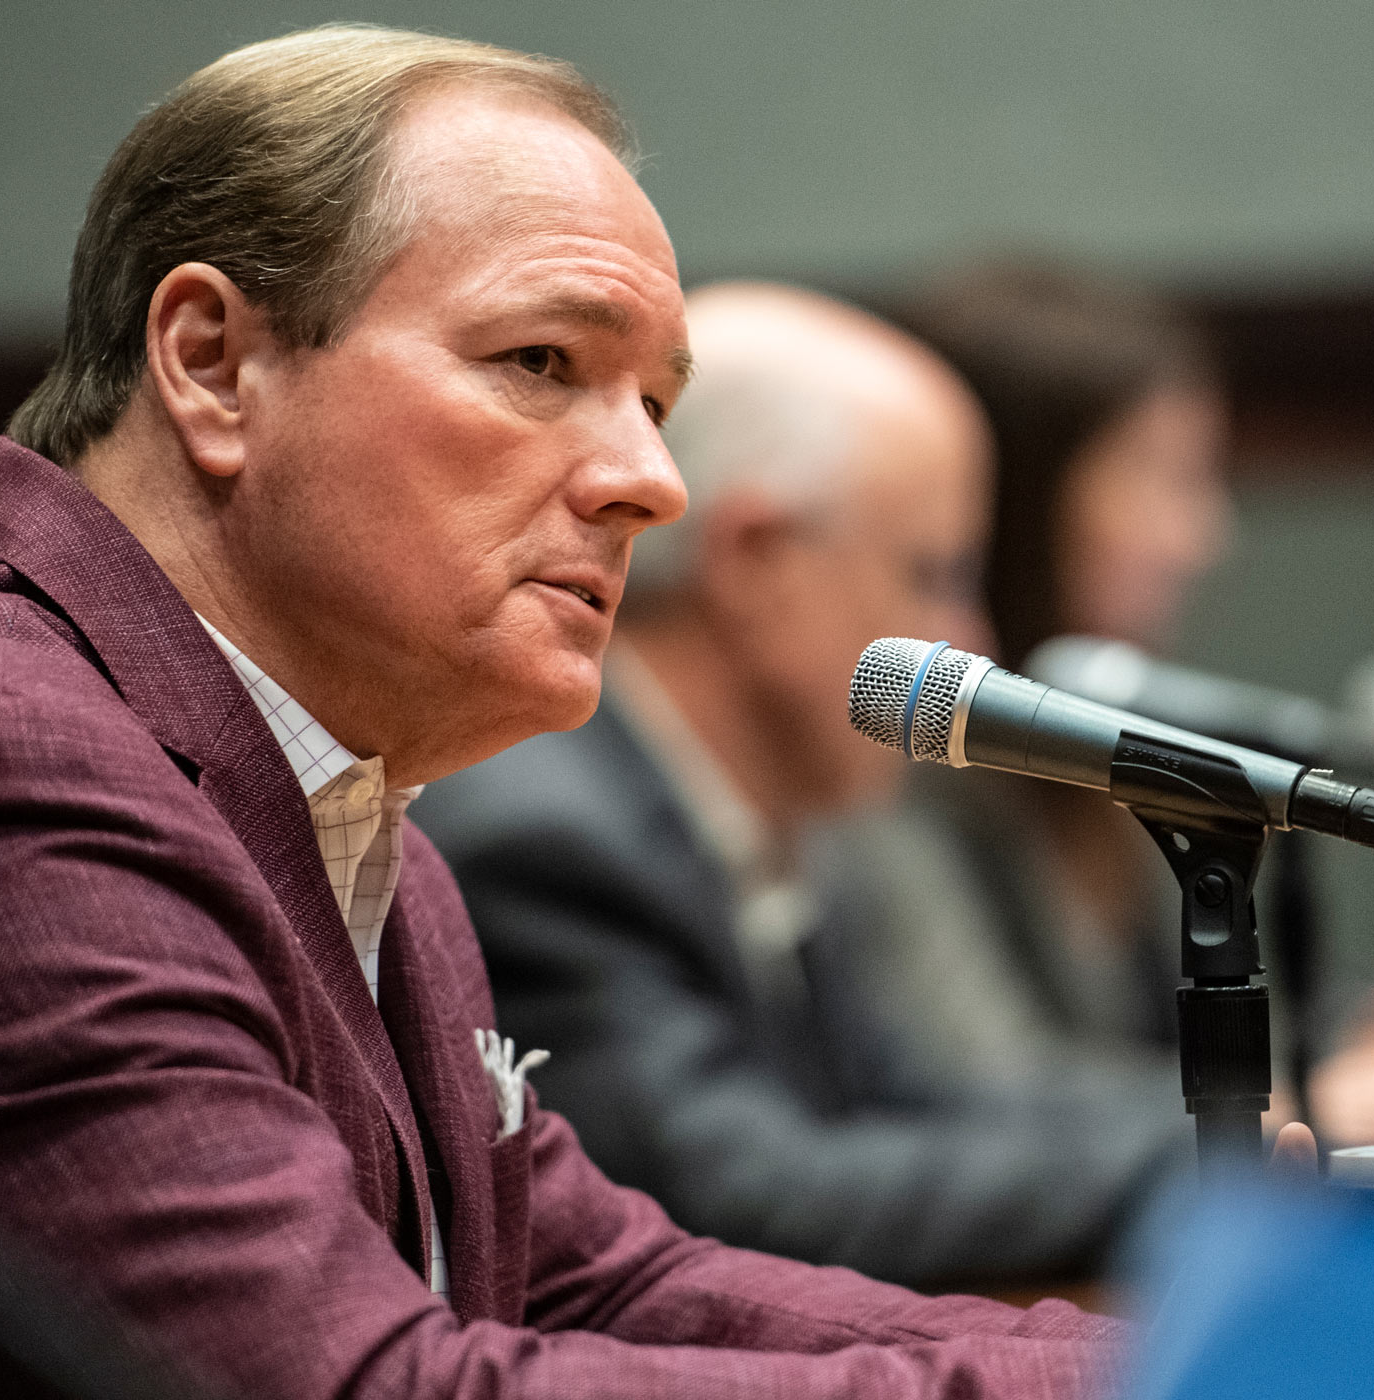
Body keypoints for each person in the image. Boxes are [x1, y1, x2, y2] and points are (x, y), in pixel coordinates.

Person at [0, 27, 1374, 1400]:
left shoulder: (325, 784)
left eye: (655, 403)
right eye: (541, 363)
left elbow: (606, 1272)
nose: (647, 482)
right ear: (211, 363)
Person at [415, 282, 1196, 1290]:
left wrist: (1276, 1123)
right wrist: (1231, 1155)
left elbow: (920, 1111)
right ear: (756, 560)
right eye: (937, 574)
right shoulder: (550, 834)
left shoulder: (763, 822)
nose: (979, 644)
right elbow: (744, 1202)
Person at [861, 263, 1374, 1145]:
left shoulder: (1099, 757)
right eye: (1162, 476)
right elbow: (991, 1095)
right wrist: (1319, 1099)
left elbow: (1164, 1034)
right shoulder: (895, 768)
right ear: (1018, 504)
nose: (1203, 534)